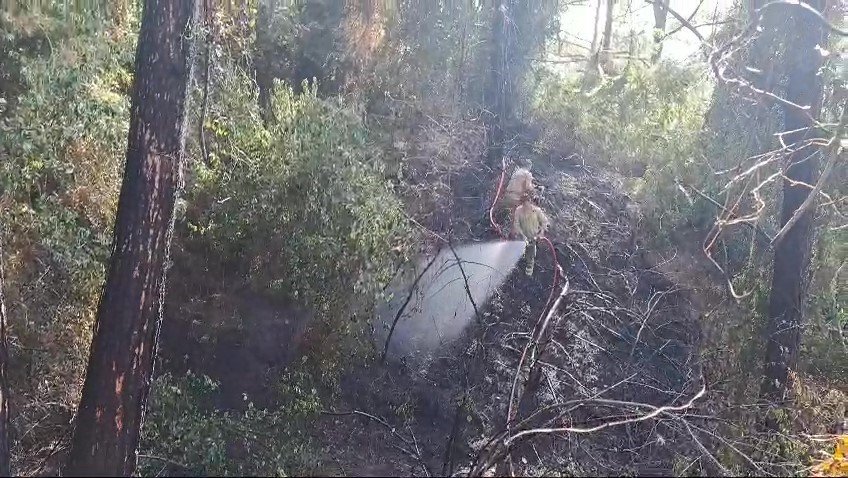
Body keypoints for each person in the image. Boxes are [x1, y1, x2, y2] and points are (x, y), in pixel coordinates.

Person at [512, 194, 550, 276]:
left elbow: (545, 222)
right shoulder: (518, 211)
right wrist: (522, 235)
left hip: (533, 237)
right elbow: (516, 224)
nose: (526, 205)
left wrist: (541, 233)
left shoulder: (536, 211)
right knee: (519, 254)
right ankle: (517, 270)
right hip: (522, 237)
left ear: (530, 202)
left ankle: (529, 274)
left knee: (531, 255)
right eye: (524, 203)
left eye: (527, 202)